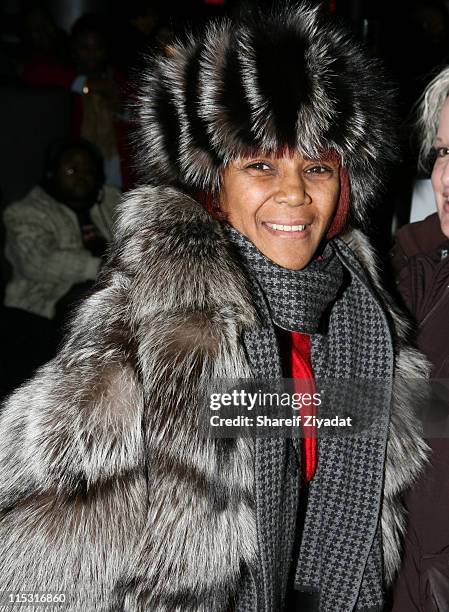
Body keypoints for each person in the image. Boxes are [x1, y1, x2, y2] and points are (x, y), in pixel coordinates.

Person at [0, 4, 429, 610]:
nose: (294, 194)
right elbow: (41, 551)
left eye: (317, 167)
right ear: (212, 182)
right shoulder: (154, 323)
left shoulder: (361, 320)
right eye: (259, 164)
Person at [391, 67, 449, 611]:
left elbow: (433, 408)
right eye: (444, 153)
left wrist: (250, 406)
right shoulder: (410, 264)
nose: (448, 179)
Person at [1, 137, 119, 393]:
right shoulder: (25, 212)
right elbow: (38, 262)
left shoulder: (112, 200)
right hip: (39, 311)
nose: (81, 177)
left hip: (109, 299)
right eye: (71, 170)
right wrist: (97, 267)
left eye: (89, 170)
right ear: (51, 174)